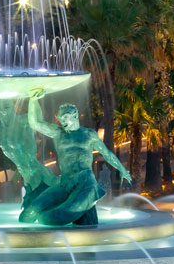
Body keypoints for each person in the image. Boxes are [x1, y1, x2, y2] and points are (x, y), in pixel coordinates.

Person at [19, 96, 132, 226]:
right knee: (27, 214)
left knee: (54, 218)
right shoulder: (58, 133)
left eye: (66, 117)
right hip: (65, 183)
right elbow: (35, 123)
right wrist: (33, 100)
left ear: (75, 115)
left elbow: (107, 153)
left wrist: (122, 169)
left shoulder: (89, 135)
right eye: (61, 119)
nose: (63, 121)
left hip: (85, 182)